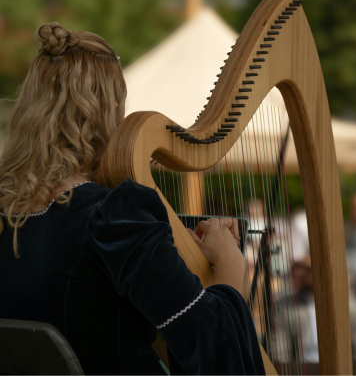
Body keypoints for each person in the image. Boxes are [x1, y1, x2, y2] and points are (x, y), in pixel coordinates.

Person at [0, 22, 265, 375]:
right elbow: (217, 352)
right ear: (110, 108)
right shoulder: (113, 217)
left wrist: (166, 255)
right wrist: (231, 262)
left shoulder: (8, 212)